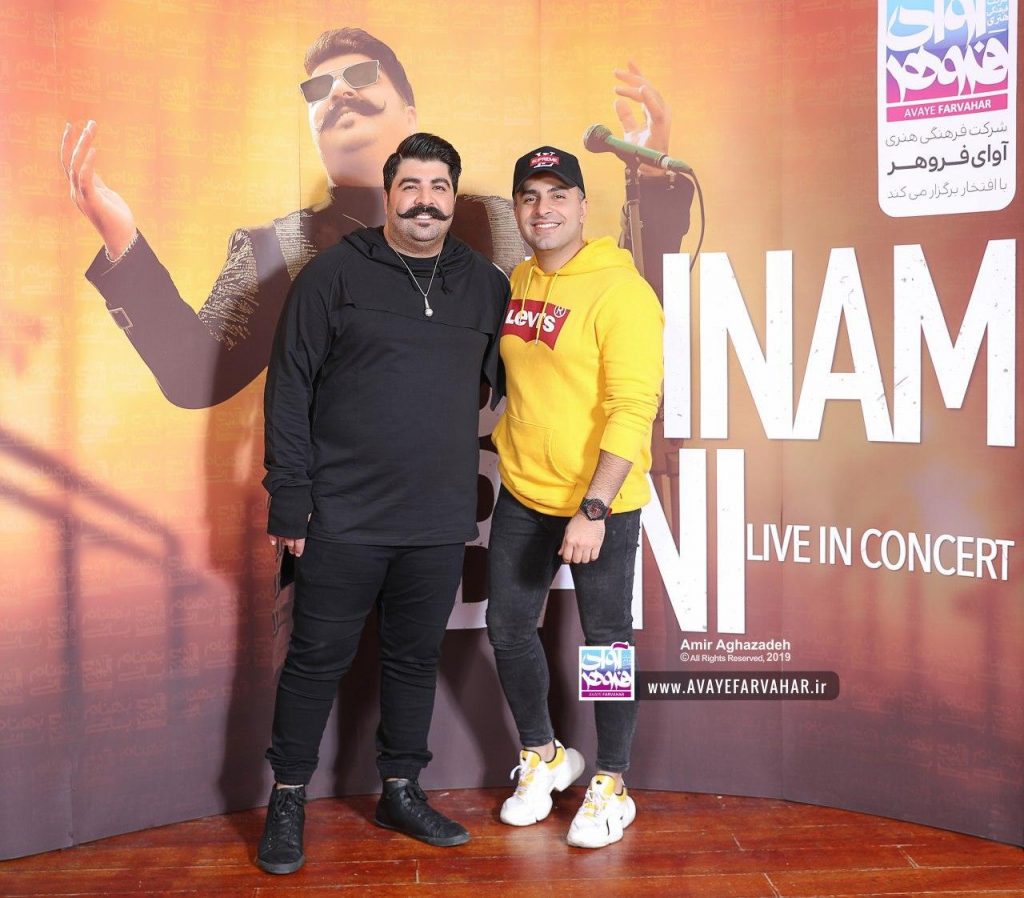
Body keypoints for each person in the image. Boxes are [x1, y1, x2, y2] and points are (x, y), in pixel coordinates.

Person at [59, 29, 690, 410]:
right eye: (317, 91)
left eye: (360, 76)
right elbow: (194, 377)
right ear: (313, 132)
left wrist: (652, 180)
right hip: (345, 521)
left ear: (411, 114)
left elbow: (620, 299)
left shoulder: (506, 223)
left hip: (495, 518)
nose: (337, 92)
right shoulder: (276, 248)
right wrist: (121, 240)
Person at [257, 133, 510, 874]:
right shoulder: (333, 275)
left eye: (439, 186)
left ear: (453, 197)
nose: (425, 200)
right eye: (411, 185)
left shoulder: (485, 285)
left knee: (413, 659)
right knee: (315, 661)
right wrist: (290, 499)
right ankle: (287, 798)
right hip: (341, 514)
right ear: (389, 194)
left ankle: (401, 789)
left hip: (438, 519)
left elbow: (525, 382)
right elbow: (289, 388)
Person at [486, 147, 664, 849]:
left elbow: (633, 405)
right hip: (525, 490)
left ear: (584, 206)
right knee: (508, 627)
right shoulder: (520, 279)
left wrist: (594, 509)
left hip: (600, 502)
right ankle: (545, 755)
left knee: (605, 644)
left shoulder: (622, 291)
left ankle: (612, 781)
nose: (544, 209)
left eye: (558, 194)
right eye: (530, 196)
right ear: (518, 209)